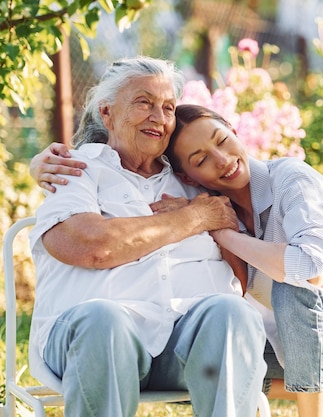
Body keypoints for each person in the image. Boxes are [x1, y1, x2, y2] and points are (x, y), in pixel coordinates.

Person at [32, 107, 323, 417]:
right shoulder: (214, 203)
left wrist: (222, 232)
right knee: (204, 347)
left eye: (222, 140)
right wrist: (42, 163)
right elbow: (122, 159)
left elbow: (312, 268)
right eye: (201, 159)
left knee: (293, 286)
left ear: (234, 129)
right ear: (189, 176)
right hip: (308, 346)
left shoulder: (289, 177)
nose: (222, 160)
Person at [27, 57, 266, 417]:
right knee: (102, 319)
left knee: (232, 311)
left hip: (184, 345)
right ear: (106, 113)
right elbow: (91, 245)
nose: (159, 116)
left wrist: (215, 217)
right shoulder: (77, 169)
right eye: (144, 103)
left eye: (168, 107)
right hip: (95, 340)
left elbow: (239, 274)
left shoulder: (189, 176)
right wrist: (195, 217)